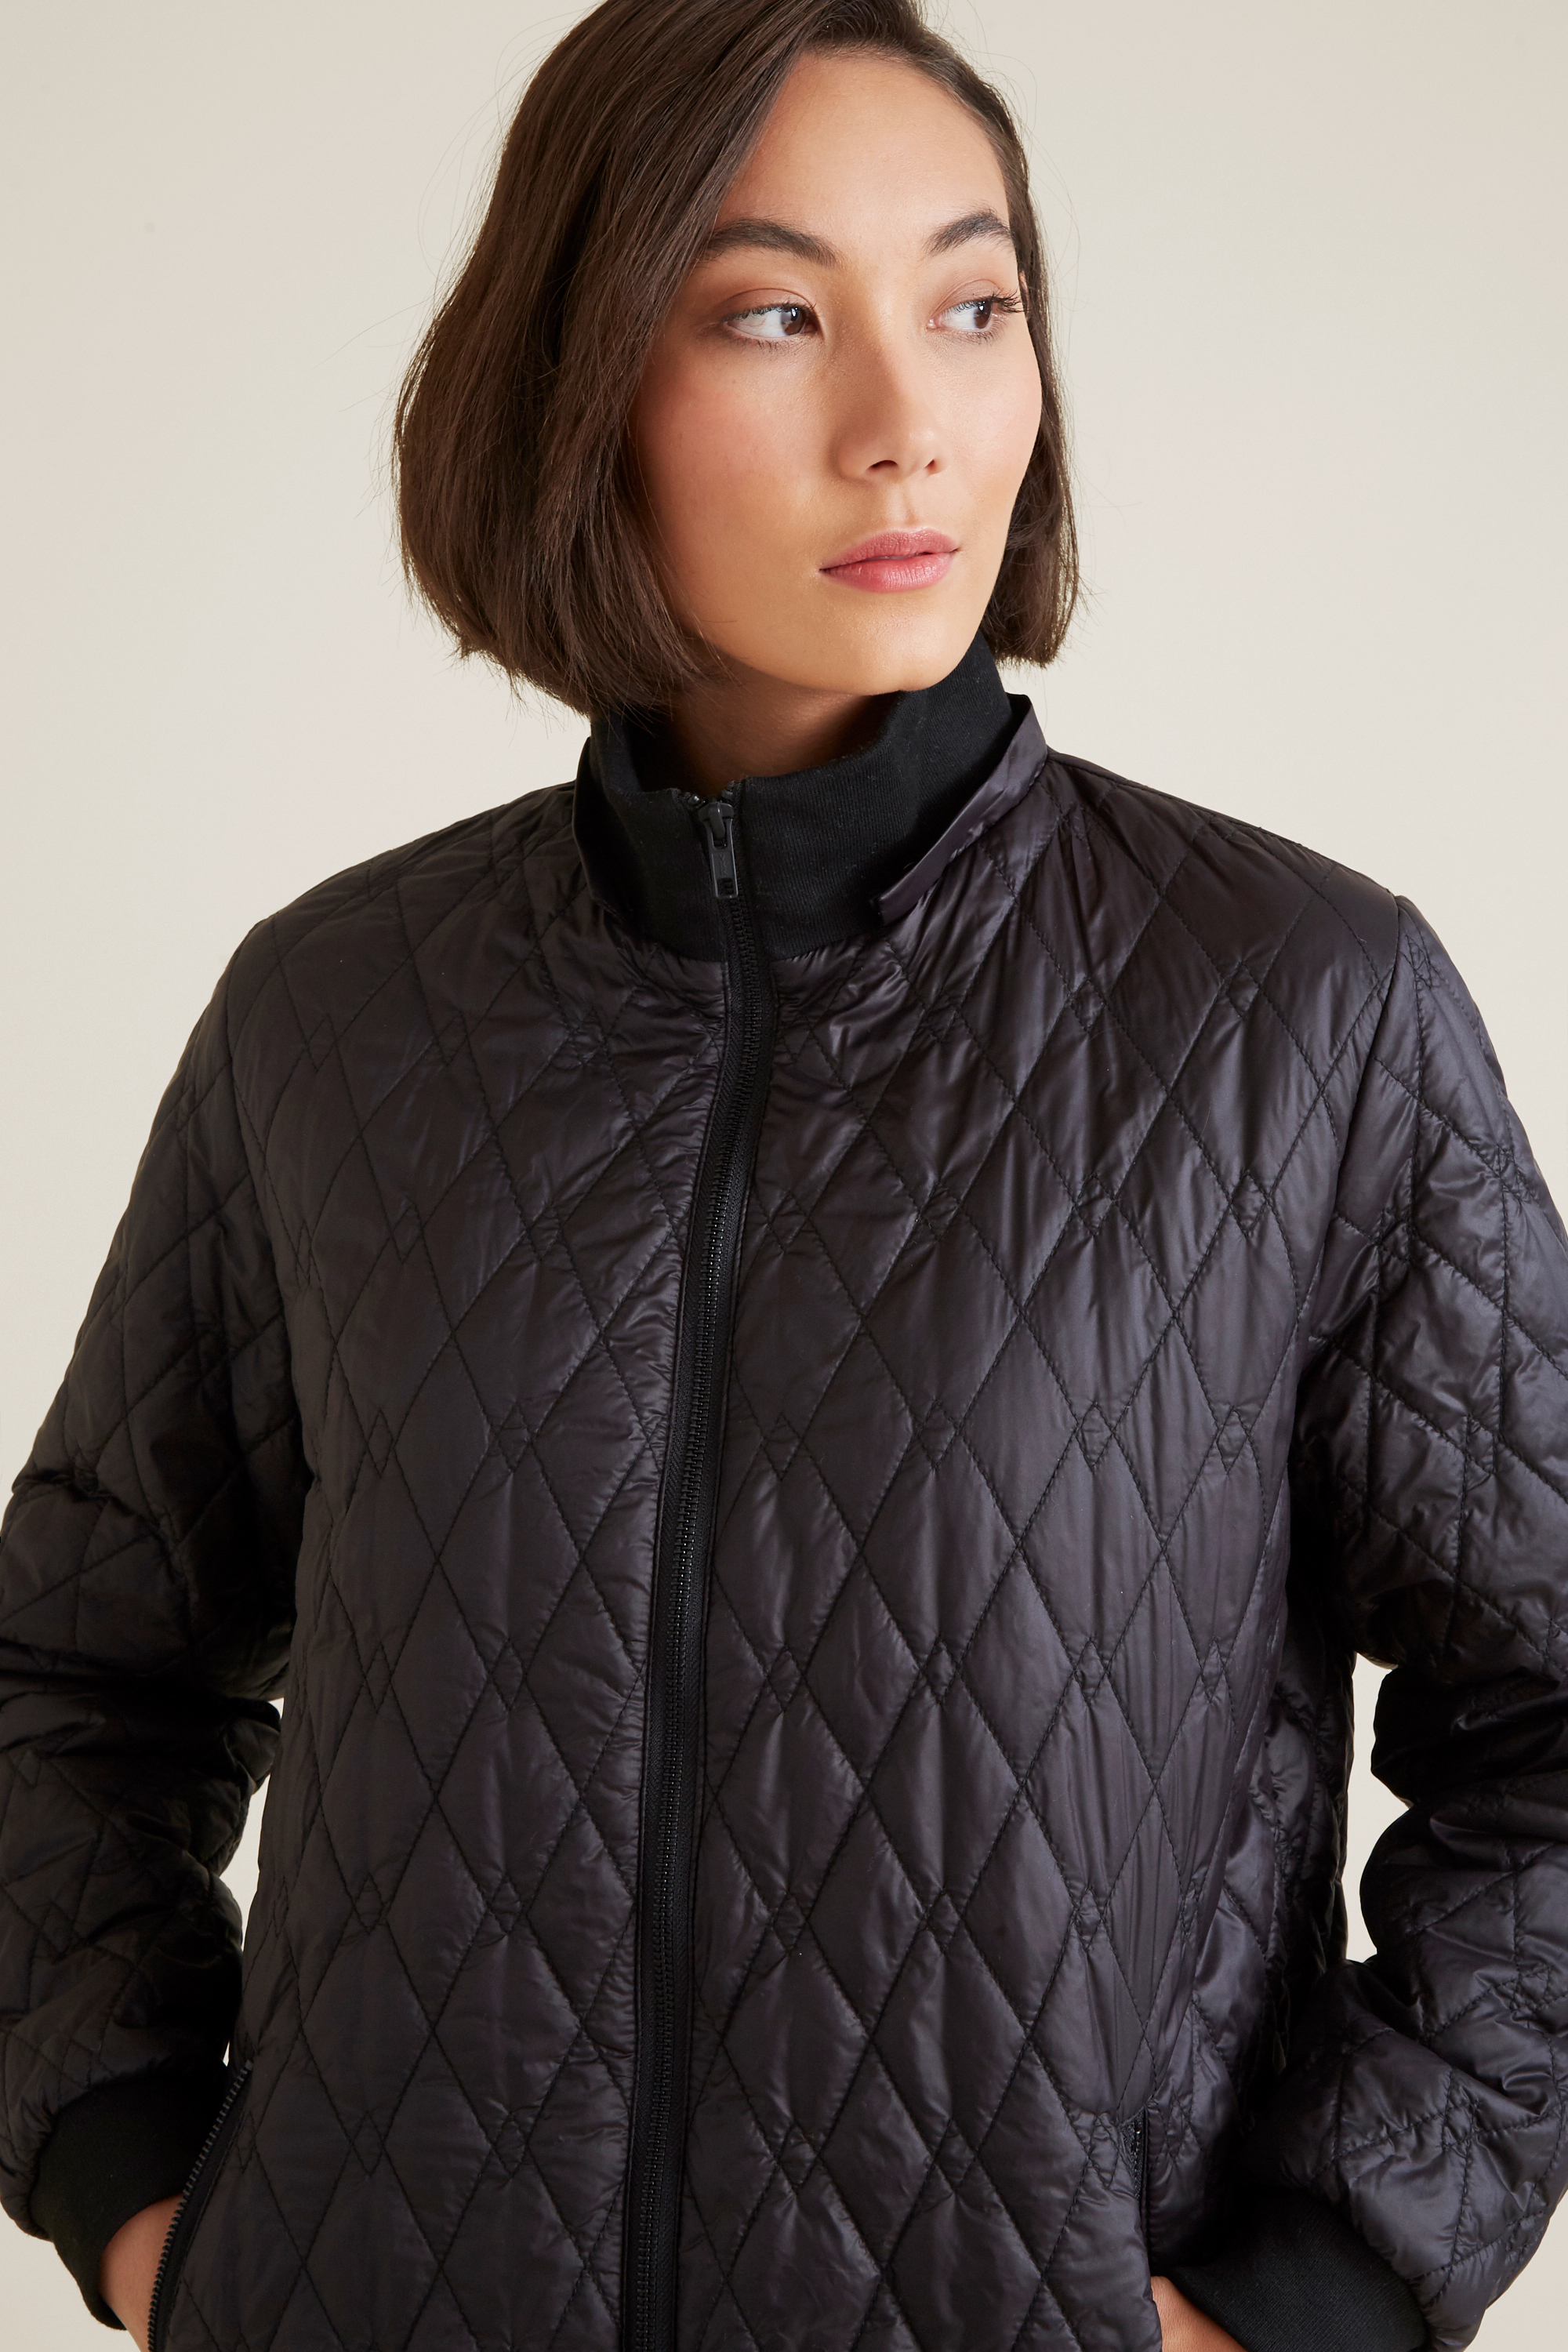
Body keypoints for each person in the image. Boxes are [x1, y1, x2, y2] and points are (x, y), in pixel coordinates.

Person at [2, 1, 1565, 2346]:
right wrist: (144, 2198)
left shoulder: (1296, 1012)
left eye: (975, 301)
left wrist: (1315, 2288)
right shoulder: (334, 1016)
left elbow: (1551, 1725)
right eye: (772, 314)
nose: (906, 419)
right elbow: (74, 1680)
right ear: (578, 383)